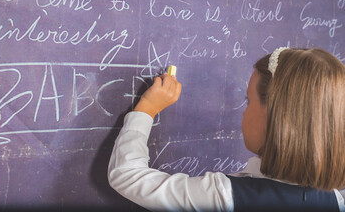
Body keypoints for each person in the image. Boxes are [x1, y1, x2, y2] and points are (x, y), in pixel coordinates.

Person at [108, 48, 345, 211]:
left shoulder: (224, 196)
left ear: (277, 119)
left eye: (249, 101)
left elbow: (127, 175)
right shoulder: (334, 199)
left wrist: (146, 109)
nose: (243, 111)